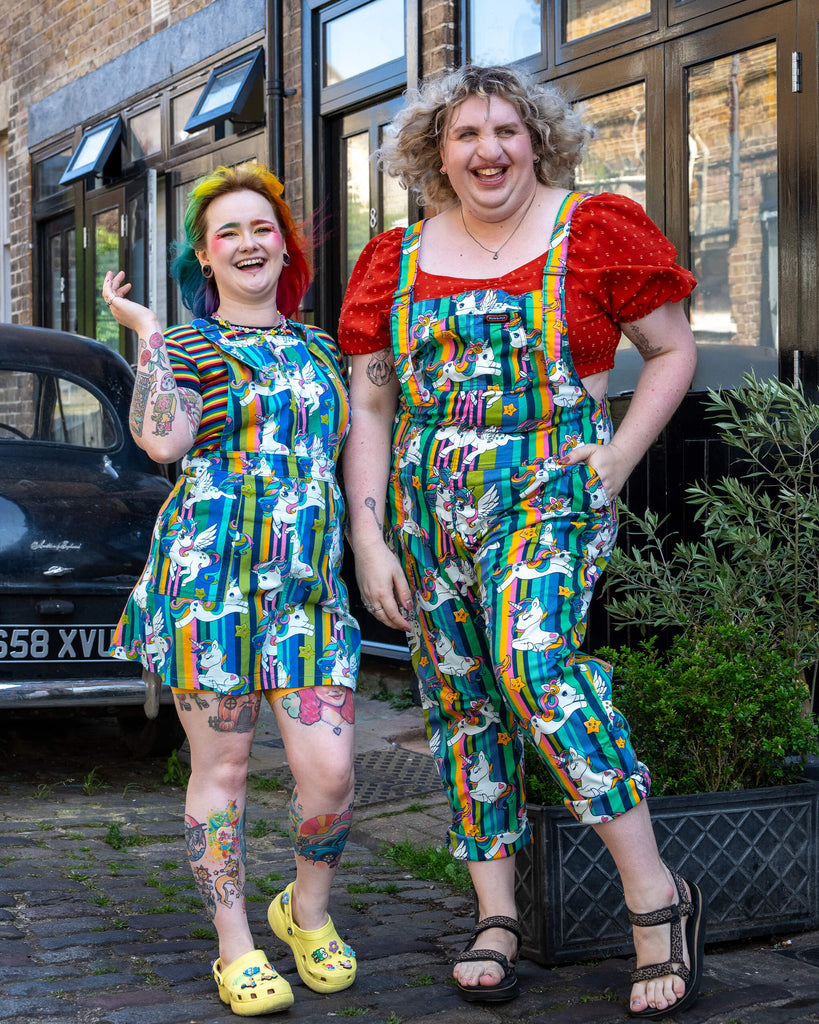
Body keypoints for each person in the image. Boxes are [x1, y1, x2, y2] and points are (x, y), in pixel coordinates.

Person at [338, 65, 703, 1020]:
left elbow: (671, 351)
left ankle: (654, 898)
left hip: (548, 498)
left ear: (536, 137)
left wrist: (615, 461)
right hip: (426, 516)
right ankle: (496, 919)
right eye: (465, 135)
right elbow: (371, 408)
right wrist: (368, 537)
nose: (488, 150)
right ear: (435, 152)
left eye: (506, 130)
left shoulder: (595, 231)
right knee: (459, 701)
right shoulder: (396, 258)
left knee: (534, 664)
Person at [104, 164, 359, 1016]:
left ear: (284, 245)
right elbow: (160, 443)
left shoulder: (325, 348)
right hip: (208, 584)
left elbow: (352, 455)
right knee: (227, 768)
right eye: (228, 234)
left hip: (308, 589)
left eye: (262, 228)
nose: (249, 243)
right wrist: (147, 333)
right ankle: (235, 943)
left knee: (328, 775)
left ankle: (304, 911)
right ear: (206, 259)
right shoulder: (186, 346)